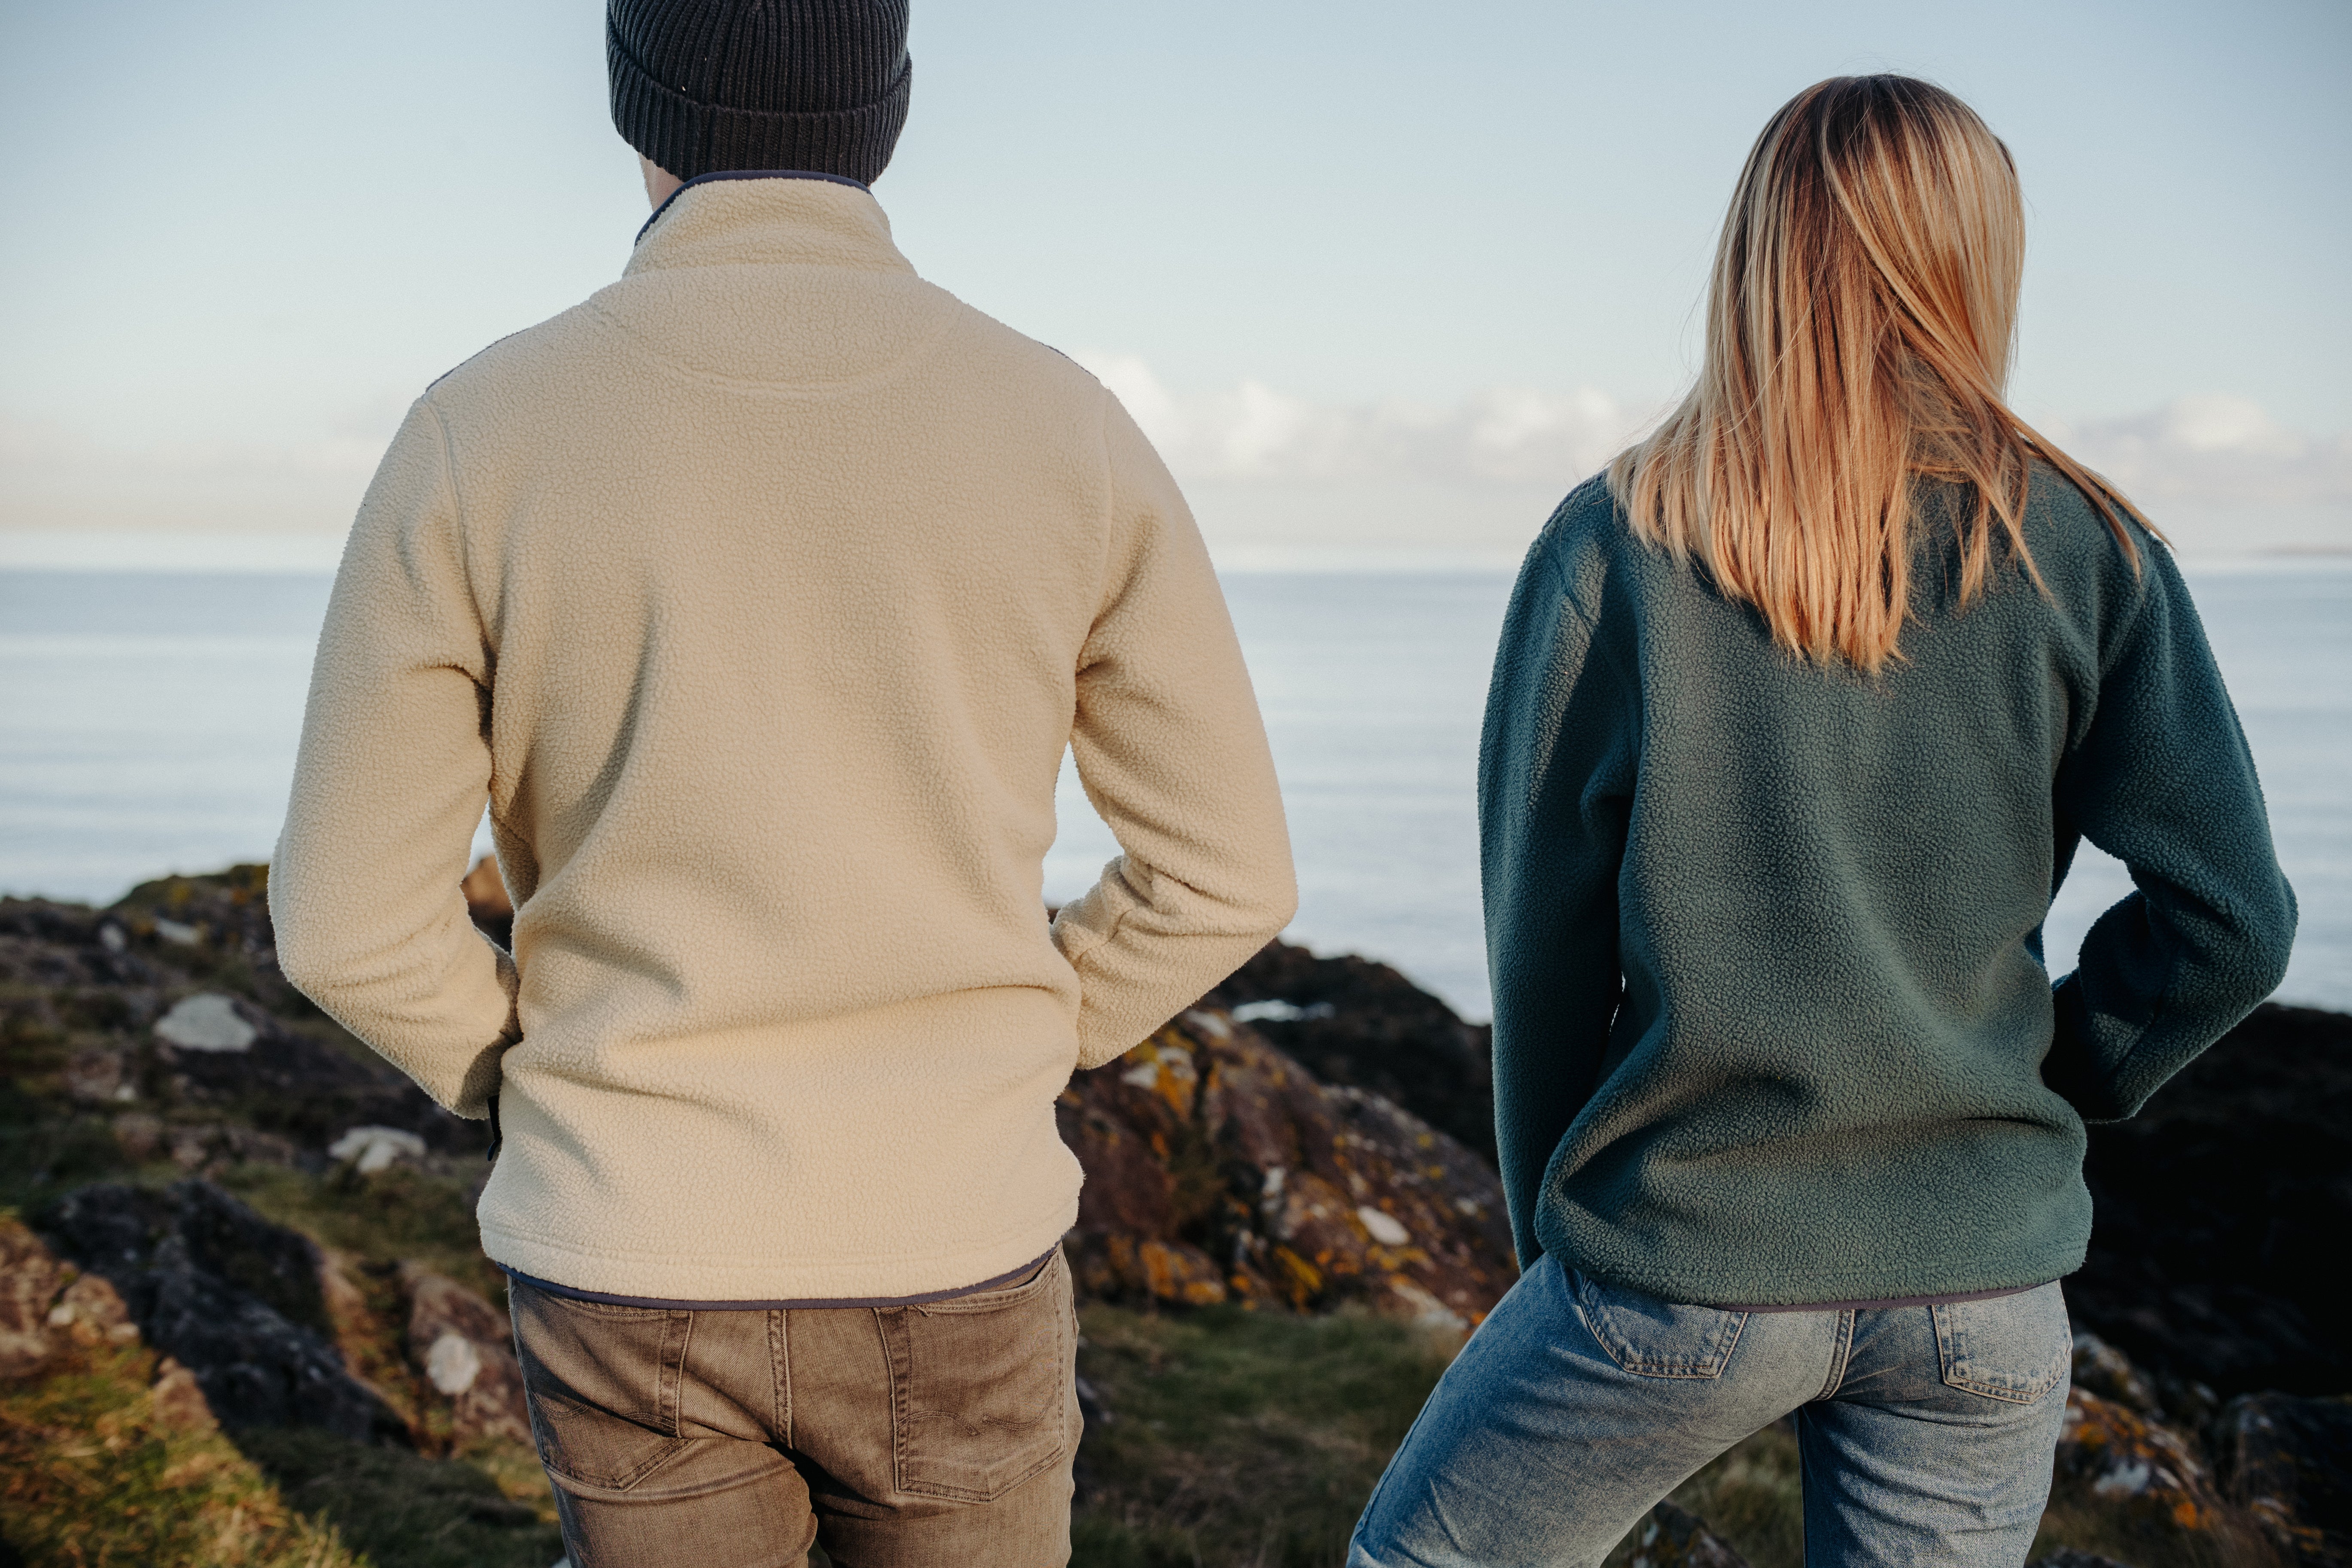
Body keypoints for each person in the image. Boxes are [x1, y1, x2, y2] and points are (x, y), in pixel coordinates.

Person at [268, 1, 1297, 1562]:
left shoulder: (476, 432)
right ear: (888, 112)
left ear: (639, 105)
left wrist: (557, 1077)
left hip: (624, 1241)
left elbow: (346, 923)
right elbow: (1228, 875)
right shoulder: (1063, 426)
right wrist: (1018, 1033)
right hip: (959, 1234)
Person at [1350, 75, 2294, 1567]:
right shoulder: (2089, 546)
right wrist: (2053, 1070)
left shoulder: (1621, 542)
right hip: (1984, 1281)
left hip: (1688, 1255)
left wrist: (1559, 1231)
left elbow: (1540, 948)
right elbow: (2234, 922)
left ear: (1757, 258)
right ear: (1980, 260)